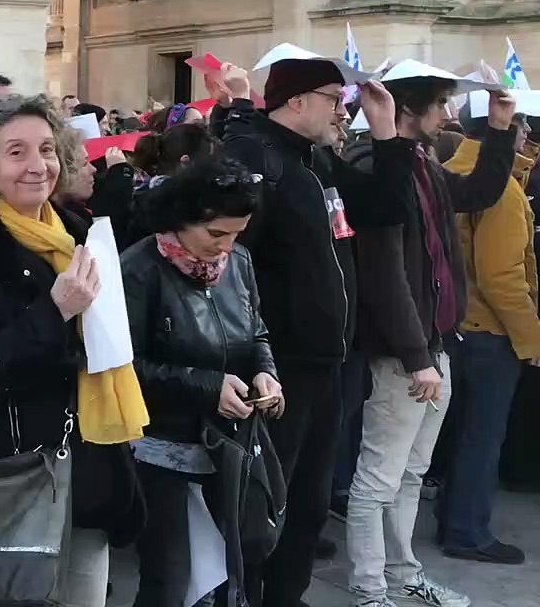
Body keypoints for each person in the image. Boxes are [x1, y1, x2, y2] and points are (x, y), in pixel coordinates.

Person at [0, 94, 146, 606]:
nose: (37, 165)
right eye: (16, 151)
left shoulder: (79, 232)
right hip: (13, 476)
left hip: (91, 464)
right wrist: (55, 311)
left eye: (46, 149)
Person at [220, 58, 410, 607]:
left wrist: (385, 130)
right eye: (334, 98)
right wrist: (250, 357)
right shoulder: (256, 158)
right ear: (297, 101)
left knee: (310, 499)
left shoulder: (317, 160)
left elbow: (384, 207)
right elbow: (229, 264)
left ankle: (287, 594)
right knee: (265, 498)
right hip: (278, 364)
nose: (342, 110)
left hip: (329, 359)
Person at [341, 74, 518, 607]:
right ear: (408, 108)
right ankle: (370, 589)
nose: (447, 114)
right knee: (379, 478)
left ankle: (402, 576)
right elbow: (384, 273)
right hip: (405, 352)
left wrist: (500, 130)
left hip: (433, 344)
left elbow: (478, 193)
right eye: (439, 104)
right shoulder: (375, 165)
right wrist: (417, 355)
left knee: (412, 473)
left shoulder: (422, 162)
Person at [121, 157, 282, 606]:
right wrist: (208, 385)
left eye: (237, 234)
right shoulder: (138, 269)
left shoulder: (239, 261)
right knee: (170, 577)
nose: (226, 246)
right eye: (215, 234)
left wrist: (266, 372)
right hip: (160, 445)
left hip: (228, 443)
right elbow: (123, 366)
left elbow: (256, 332)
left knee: (234, 565)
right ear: (181, 219)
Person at [439, 101, 540, 566]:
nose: (527, 133)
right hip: (490, 331)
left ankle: (454, 519)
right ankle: (467, 530)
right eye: (522, 124)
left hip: (460, 324)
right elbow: (502, 276)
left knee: (463, 432)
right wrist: (531, 337)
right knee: (482, 436)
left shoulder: (451, 170)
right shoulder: (502, 187)